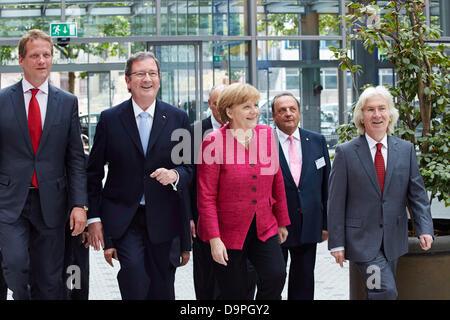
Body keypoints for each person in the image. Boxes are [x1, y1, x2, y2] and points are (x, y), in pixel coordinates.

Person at [87, 51, 192, 300]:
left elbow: (190, 168)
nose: (147, 79)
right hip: (125, 217)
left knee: (162, 286)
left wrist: (174, 174)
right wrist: (94, 218)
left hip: (165, 217)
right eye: (140, 73)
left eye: (152, 73)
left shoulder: (178, 118)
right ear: (127, 80)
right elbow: (92, 172)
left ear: (159, 79)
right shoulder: (110, 119)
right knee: (134, 276)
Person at [0, 29, 87, 300]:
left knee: (50, 280)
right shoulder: (2, 100)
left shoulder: (67, 102)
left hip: (52, 202)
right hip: (10, 201)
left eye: (47, 55)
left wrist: (79, 205)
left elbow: (75, 158)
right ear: (21, 60)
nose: (42, 61)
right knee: (16, 266)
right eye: (35, 55)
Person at [327, 85, 434, 300]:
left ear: (390, 114)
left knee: (375, 293)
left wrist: (425, 228)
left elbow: (417, 195)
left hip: (394, 239)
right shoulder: (346, 153)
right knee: (383, 290)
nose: (377, 115)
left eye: (382, 109)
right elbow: (336, 201)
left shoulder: (405, 150)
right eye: (370, 109)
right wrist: (336, 243)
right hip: (362, 241)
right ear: (361, 117)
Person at [196, 82, 290, 300]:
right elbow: (206, 196)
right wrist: (214, 239)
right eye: (246, 106)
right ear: (229, 111)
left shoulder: (267, 135)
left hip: (264, 225)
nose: (254, 111)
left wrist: (282, 221)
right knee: (235, 292)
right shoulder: (213, 141)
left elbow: (277, 180)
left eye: (255, 105)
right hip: (227, 231)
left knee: (276, 275)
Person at [271, 93, 331, 300]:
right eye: (282, 110)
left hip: (309, 224)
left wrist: (326, 223)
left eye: (292, 109)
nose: (288, 114)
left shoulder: (317, 141)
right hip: (275, 226)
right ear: (274, 116)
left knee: (304, 281)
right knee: (272, 280)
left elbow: (326, 186)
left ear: (299, 112)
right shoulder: (263, 144)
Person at [189, 84, 227, 300]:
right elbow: (187, 179)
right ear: (210, 106)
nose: (221, 108)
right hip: (202, 217)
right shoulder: (193, 133)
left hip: (236, 219)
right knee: (205, 279)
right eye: (216, 103)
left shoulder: (246, 131)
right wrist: (188, 217)